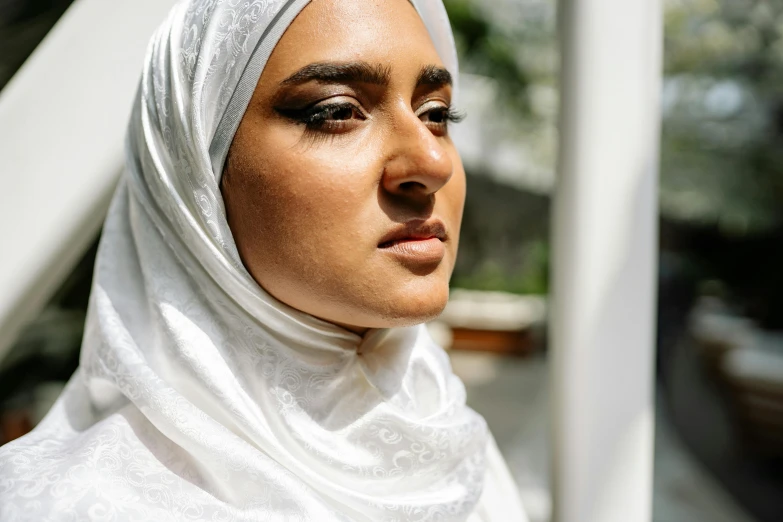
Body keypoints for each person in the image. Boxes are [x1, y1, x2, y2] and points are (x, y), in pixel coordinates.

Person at [0, 0, 527, 520]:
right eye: (337, 112)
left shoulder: (450, 444)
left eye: (436, 114)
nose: (432, 162)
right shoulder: (66, 503)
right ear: (195, 172)